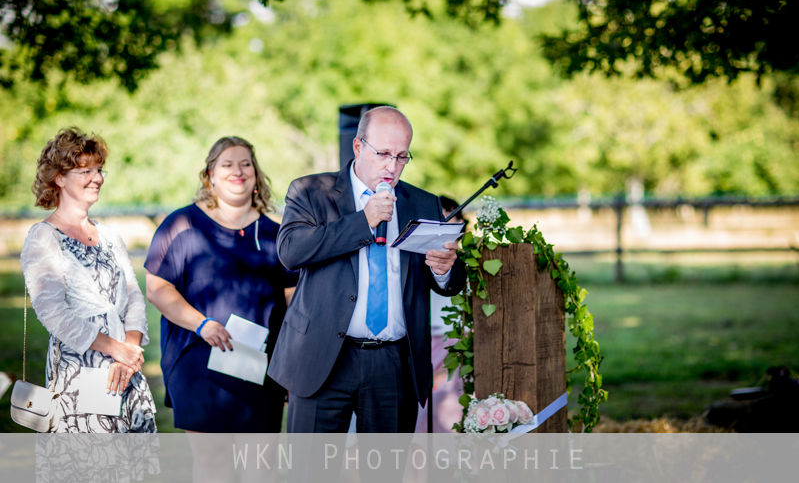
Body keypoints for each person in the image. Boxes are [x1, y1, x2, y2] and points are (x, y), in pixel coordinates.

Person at [269, 106, 468, 433]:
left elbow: (450, 283)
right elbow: (292, 252)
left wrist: (445, 269)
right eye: (384, 154)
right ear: (358, 147)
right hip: (323, 357)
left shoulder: (423, 203)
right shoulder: (311, 192)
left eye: (402, 157)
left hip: (393, 364)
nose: (392, 166)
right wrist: (364, 221)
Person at [144, 136, 297, 435]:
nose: (237, 171)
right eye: (227, 164)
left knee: (260, 468)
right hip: (198, 364)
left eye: (245, 164)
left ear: (256, 175)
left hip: (261, 368)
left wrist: (291, 365)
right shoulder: (182, 224)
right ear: (210, 175)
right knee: (213, 466)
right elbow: (157, 289)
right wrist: (203, 325)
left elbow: (294, 306)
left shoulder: (277, 236)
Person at [20, 127, 157, 434]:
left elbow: (133, 296)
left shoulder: (109, 235)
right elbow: (53, 313)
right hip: (78, 375)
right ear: (59, 177)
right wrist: (113, 348)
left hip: (125, 370)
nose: (97, 178)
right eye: (85, 170)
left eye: (98, 169)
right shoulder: (43, 237)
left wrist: (128, 352)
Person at [415, 195, 467, 433]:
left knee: (452, 409)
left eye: (450, 217)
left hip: (456, 340)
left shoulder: (468, 260)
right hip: (427, 340)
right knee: (421, 410)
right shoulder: (419, 256)